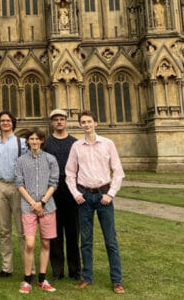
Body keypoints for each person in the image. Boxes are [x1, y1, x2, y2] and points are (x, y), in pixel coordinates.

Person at [65, 111, 125, 295]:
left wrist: (111, 194)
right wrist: (76, 193)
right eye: (83, 122)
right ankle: (86, 277)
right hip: (84, 197)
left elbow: (118, 171)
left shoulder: (108, 144)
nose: (86, 124)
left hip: (104, 196)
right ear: (80, 125)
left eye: (89, 121)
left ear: (95, 123)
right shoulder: (76, 146)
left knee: (110, 241)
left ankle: (117, 281)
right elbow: (70, 173)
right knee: (86, 241)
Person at [15, 128, 59, 294]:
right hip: (28, 206)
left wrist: (42, 202)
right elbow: (19, 183)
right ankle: (27, 280)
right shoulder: (20, 161)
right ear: (28, 141)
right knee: (30, 243)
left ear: (42, 141)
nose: (34, 141)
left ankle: (42, 278)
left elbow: (54, 183)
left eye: (37, 139)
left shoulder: (50, 159)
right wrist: (34, 203)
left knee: (46, 243)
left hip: (48, 206)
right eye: (31, 139)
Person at [0, 111, 27, 278]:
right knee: (4, 231)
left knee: (22, 230)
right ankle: (6, 269)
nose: (5, 123)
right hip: (0, 185)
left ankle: (29, 269)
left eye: (8, 120)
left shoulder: (23, 143)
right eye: (2, 121)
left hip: (17, 187)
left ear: (13, 123)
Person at [43, 109, 80, 281]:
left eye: (62, 119)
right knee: (54, 232)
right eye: (56, 119)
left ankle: (75, 270)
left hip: (71, 188)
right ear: (52, 123)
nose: (59, 122)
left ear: (66, 121)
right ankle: (57, 270)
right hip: (53, 189)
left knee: (73, 232)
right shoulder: (47, 143)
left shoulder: (75, 143)